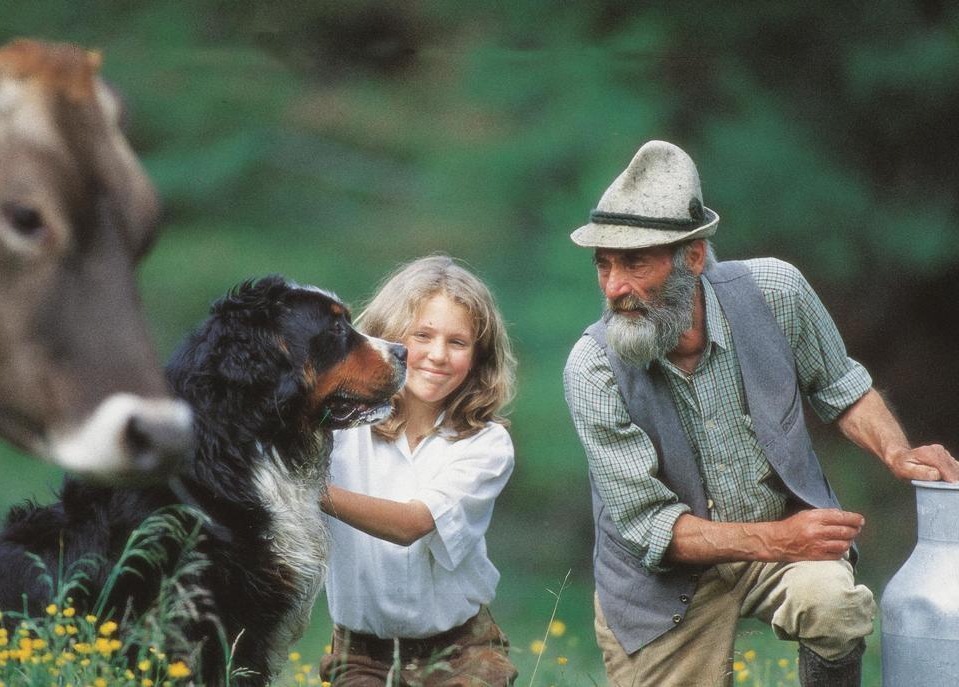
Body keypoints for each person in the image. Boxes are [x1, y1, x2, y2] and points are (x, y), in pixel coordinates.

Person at [562, 140, 959, 687]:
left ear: (694, 257)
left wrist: (897, 450)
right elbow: (652, 531)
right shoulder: (592, 369)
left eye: (634, 262)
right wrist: (779, 539)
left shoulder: (777, 291)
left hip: (785, 539)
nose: (614, 288)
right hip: (662, 586)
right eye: (603, 265)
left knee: (835, 605)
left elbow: (842, 387)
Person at [319, 255, 518, 687]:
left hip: (460, 650)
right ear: (387, 339)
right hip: (361, 654)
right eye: (422, 336)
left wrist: (312, 491)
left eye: (458, 342)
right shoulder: (338, 428)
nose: (437, 355)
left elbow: (412, 524)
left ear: (479, 356)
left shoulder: (486, 444)